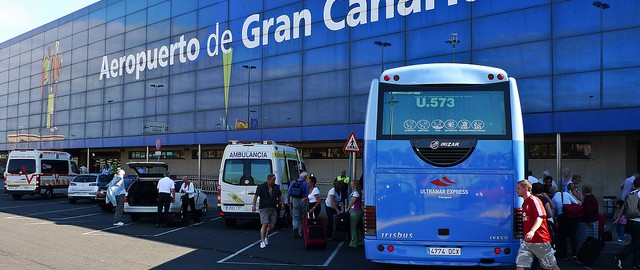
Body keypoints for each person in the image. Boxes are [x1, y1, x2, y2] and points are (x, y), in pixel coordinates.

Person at [515, 180, 559, 270]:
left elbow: (540, 217)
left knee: (551, 266)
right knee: (521, 265)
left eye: (518, 188)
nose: (516, 190)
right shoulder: (525, 203)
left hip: (540, 240)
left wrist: (532, 231)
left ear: (526, 188)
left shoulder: (534, 200)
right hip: (527, 241)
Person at [252, 174, 283, 249]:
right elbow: (256, 196)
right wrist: (254, 205)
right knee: (265, 224)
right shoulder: (261, 187)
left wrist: (282, 203)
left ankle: (266, 236)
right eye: (273, 180)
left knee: (272, 226)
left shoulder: (276, 187)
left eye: (274, 180)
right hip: (264, 208)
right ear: (268, 179)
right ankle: (262, 241)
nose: (274, 181)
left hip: (273, 208)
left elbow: (280, 195)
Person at [615, 177, 640, 269]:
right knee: (636, 243)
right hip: (638, 221)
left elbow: (624, 207)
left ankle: (636, 262)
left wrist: (618, 217)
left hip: (630, 221)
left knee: (636, 242)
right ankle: (620, 256)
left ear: (634, 185)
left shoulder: (630, 194)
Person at [551, 183, 581, 259]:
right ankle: (575, 253)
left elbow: (553, 213)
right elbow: (576, 203)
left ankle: (564, 254)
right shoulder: (566, 194)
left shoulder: (553, 199)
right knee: (573, 235)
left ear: (552, 193)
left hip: (562, 217)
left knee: (563, 236)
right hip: (572, 216)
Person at [287, 171, 309, 238]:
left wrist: (289, 200)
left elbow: (289, 191)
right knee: (302, 217)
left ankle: (295, 228)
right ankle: (300, 232)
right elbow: (307, 193)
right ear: (305, 177)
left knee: (295, 216)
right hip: (302, 200)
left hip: (295, 200)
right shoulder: (305, 183)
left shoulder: (294, 182)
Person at [576, 185, 598, 250]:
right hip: (594, 220)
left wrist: (589, 220)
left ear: (584, 191)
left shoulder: (587, 200)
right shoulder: (593, 198)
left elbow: (589, 210)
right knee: (593, 238)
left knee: (584, 239)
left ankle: (583, 252)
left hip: (587, 222)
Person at [346, 180, 363, 248]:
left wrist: (347, 209)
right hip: (358, 211)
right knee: (357, 227)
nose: (351, 185)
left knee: (352, 227)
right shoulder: (358, 192)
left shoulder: (356, 193)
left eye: (352, 184)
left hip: (355, 211)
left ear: (355, 185)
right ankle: (360, 241)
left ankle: (354, 242)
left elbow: (352, 202)